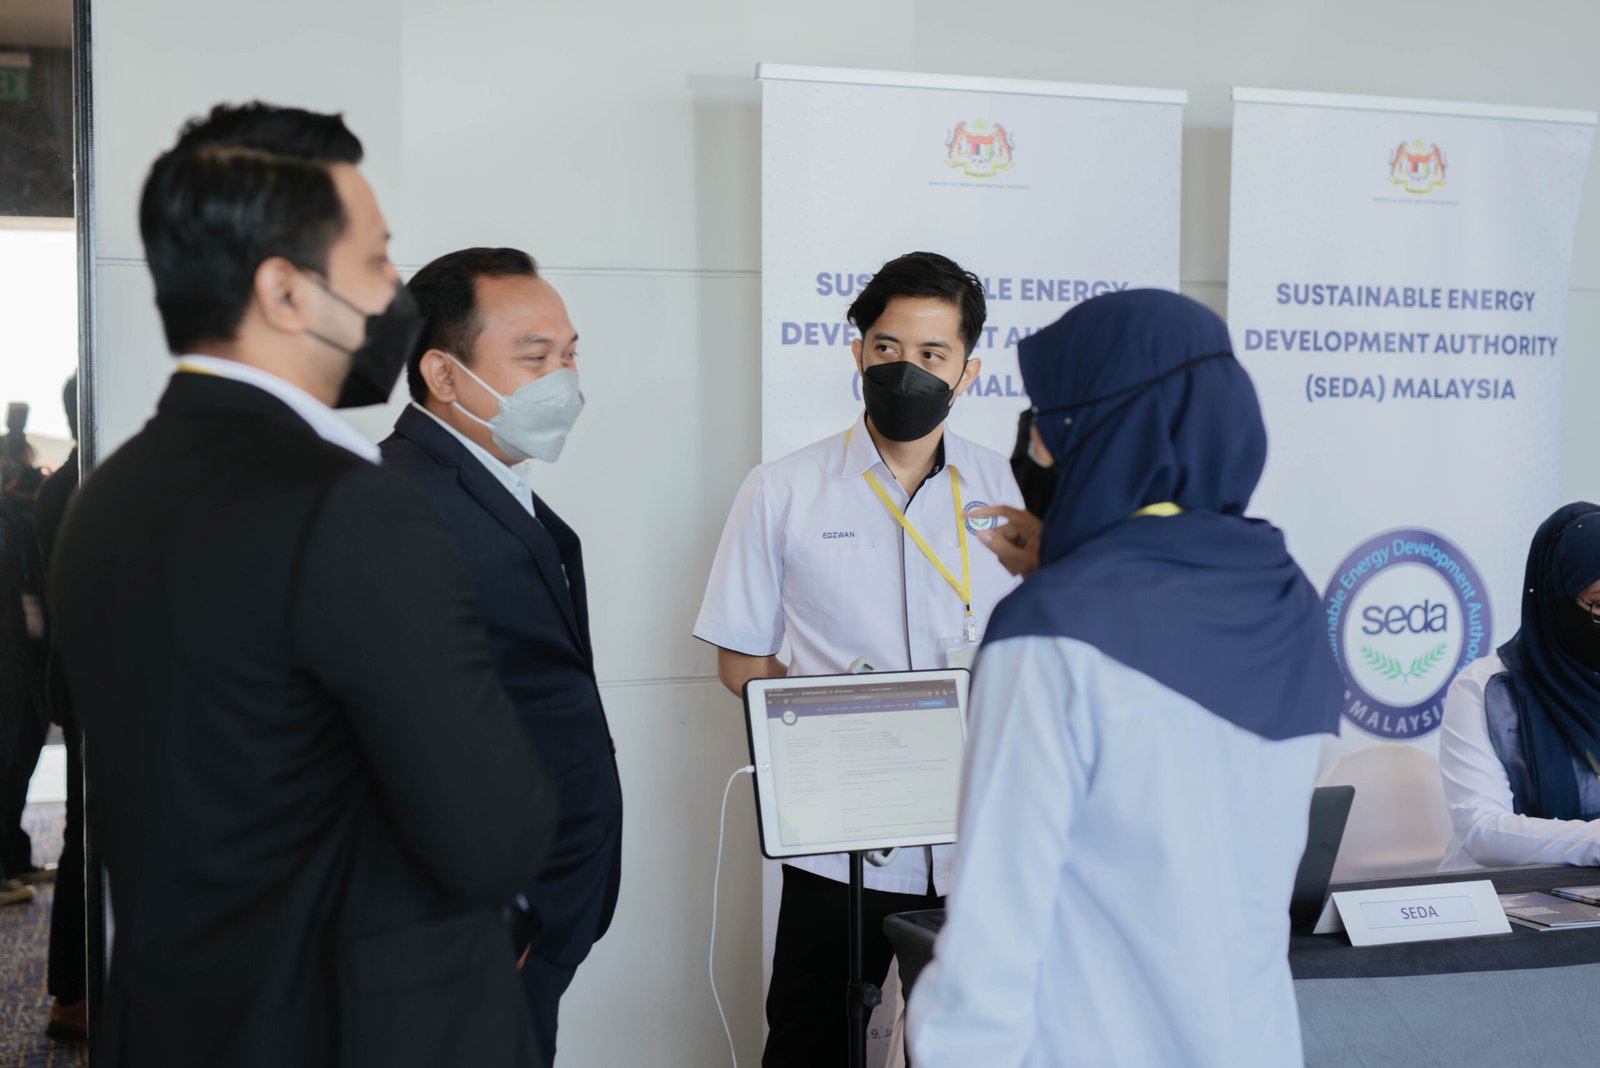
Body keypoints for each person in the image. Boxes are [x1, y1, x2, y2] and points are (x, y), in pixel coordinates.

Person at [48, 102, 558, 1068]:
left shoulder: (107, 497)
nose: (395, 290)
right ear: (284, 290)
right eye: (375, 259)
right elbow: (495, 832)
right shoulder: (352, 507)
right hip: (354, 1030)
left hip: (175, 1023)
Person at [907, 289, 1343, 1068]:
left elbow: (992, 942)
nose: (1036, 445)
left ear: (1105, 430)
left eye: (1048, 421)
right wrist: (1072, 562)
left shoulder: (1049, 631)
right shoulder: (1292, 603)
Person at [695, 251, 1023, 1066]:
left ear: (968, 372)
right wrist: (832, 723)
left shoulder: (1011, 491)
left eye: (932, 354)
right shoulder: (784, 489)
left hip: (985, 835)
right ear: (858, 353)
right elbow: (740, 662)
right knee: (813, 1042)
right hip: (839, 839)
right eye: (887, 348)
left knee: (972, 1051)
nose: (905, 369)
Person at [380, 247, 622, 1060]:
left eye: (570, 355)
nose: (565, 381)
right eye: (535, 357)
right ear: (443, 375)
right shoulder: (401, 508)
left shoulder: (488, 484)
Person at [1439, 503, 1600, 869]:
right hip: (1504, 895)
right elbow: (1481, 830)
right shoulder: (1487, 689)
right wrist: (1594, 841)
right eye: (1598, 604)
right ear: (1554, 599)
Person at [34, 374, 88, 1040]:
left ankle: (73, 991)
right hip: (90, 682)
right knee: (87, 835)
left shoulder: (61, 485)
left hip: (74, 677)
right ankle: (71, 994)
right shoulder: (82, 484)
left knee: (86, 831)